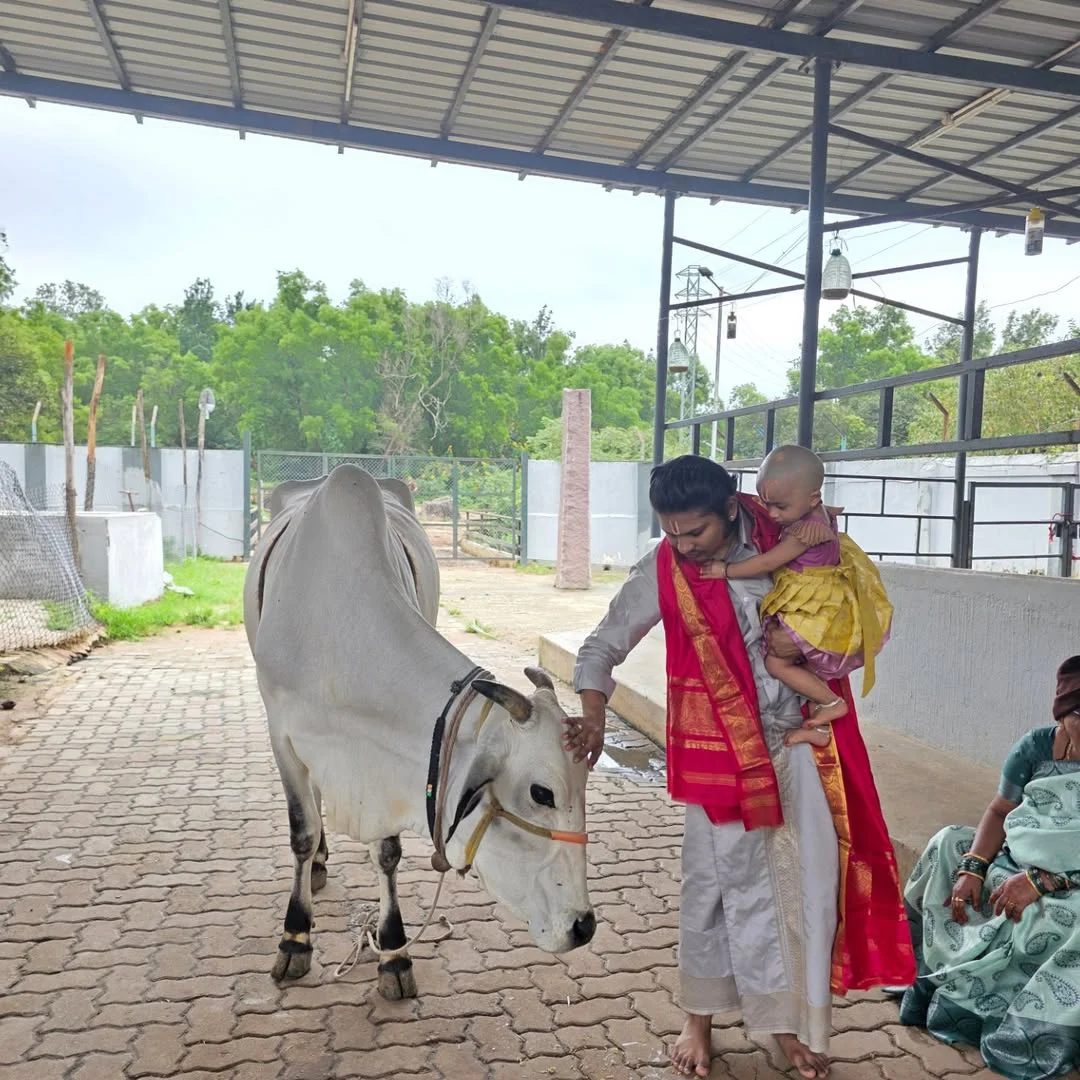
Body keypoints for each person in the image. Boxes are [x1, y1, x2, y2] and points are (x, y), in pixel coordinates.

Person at [565, 455, 914, 1079]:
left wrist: (819, 647)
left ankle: (782, 1026)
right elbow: (603, 644)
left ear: (731, 508)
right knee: (711, 888)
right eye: (670, 531)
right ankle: (697, 1018)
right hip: (720, 760)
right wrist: (593, 713)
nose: (682, 545)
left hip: (797, 744)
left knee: (797, 890)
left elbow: (855, 612)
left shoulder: (794, 533)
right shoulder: (666, 567)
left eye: (693, 532)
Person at [899, 657, 1080, 1080]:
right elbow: (1001, 811)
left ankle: (1035, 1029)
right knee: (948, 840)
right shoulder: (1035, 747)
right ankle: (928, 969)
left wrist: (1043, 881)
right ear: (1063, 714)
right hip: (1015, 862)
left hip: (1071, 884)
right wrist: (974, 868)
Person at [699, 445, 892, 749]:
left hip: (812, 610)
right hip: (819, 604)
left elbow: (767, 563)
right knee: (803, 672)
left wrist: (725, 570)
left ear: (813, 498)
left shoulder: (804, 533)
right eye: (766, 504)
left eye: (780, 507)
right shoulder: (820, 514)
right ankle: (819, 729)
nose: (772, 514)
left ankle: (832, 702)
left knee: (777, 663)